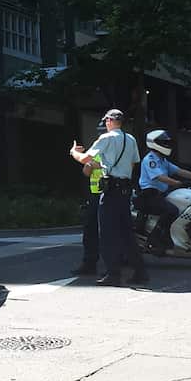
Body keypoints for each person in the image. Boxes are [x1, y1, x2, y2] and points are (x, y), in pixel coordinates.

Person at [69, 109, 146, 286]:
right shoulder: (130, 139)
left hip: (111, 191)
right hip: (125, 190)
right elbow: (134, 162)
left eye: (106, 121)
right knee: (126, 233)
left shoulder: (106, 138)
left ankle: (113, 274)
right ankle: (140, 272)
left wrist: (73, 152)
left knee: (108, 234)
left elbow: (85, 159)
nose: (105, 124)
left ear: (110, 121)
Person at [137, 129, 191, 252]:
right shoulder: (150, 160)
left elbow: (179, 171)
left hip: (160, 195)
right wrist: (177, 183)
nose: (167, 145)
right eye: (164, 143)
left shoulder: (162, 160)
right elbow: (160, 177)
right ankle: (154, 238)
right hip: (149, 195)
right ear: (155, 143)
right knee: (172, 210)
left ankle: (168, 236)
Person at [71, 119, 109, 276]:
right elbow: (86, 172)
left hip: (111, 193)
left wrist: (97, 165)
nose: (101, 135)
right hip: (95, 194)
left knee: (111, 230)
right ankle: (89, 263)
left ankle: (116, 264)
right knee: (90, 229)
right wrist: (89, 164)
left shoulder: (113, 146)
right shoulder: (96, 147)